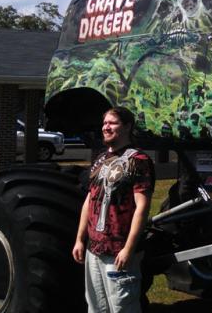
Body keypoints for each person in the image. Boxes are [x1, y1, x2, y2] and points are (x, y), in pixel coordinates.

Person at [72, 106, 155, 313]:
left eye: (112, 123)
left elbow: (142, 208)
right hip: (94, 250)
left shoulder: (138, 161)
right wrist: (80, 239)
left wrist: (128, 248)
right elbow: (90, 200)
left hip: (118, 251)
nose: (106, 127)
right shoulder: (100, 159)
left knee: (122, 307)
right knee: (96, 307)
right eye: (104, 123)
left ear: (127, 127)